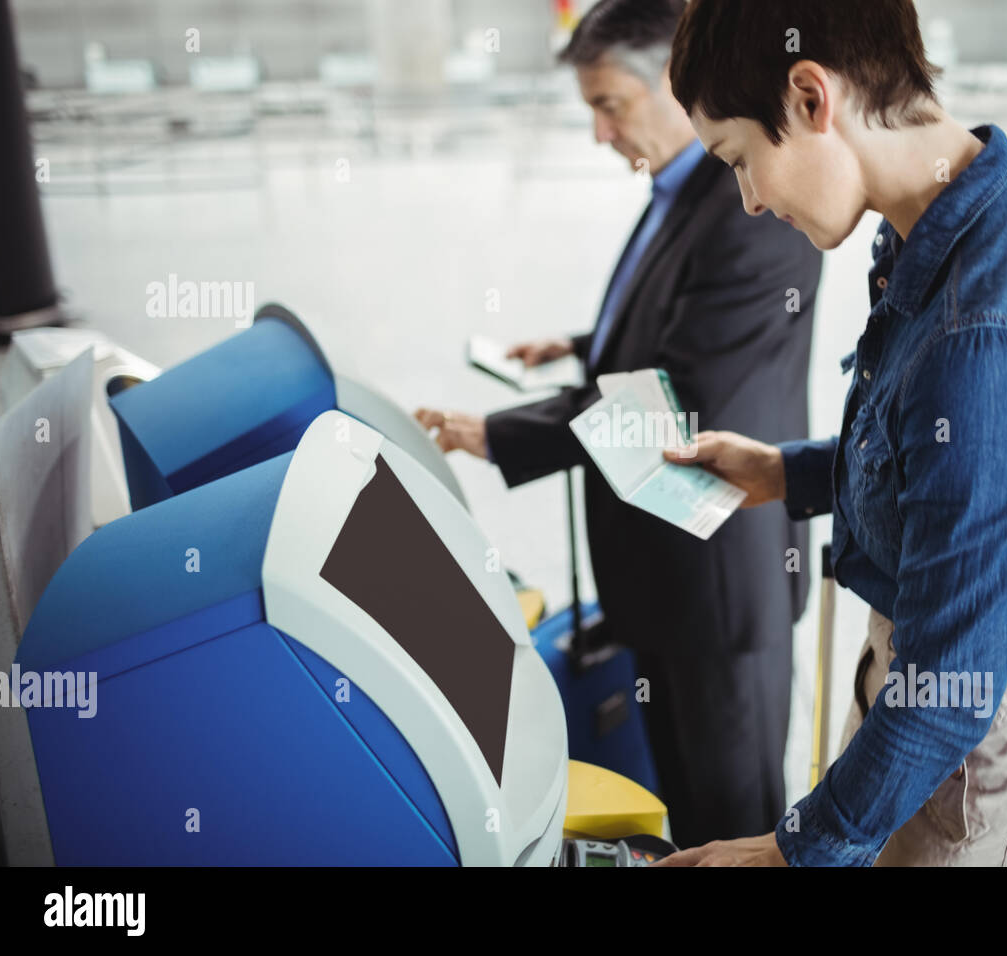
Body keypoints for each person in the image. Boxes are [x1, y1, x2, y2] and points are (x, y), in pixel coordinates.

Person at [654, 0, 1007, 866]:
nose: (751, 201)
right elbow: (930, 460)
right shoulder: (941, 217)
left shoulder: (988, 332)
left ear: (812, 98)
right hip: (936, 696)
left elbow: (952, 688)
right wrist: (785, 473)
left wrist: (781, 852)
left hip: (981, 741)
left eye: (740, 160)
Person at [414, 0, 823, 848]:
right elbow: (672, 321)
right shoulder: (682, 187)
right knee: (683, 807)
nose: (601, 134)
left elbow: (673, 395)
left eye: (610, 105)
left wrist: (496, 433)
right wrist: (576, 344)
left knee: (735, 825)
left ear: (674, 83)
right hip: (666, 577)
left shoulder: (749, 206)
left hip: (719, 585)